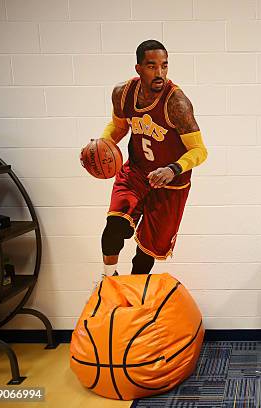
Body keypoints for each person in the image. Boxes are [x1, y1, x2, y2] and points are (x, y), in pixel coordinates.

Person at [87, 39, 207, 276]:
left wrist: (173, 169)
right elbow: (119, 127)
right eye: (152, 66)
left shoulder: (177, 103)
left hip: (170, 182)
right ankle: (107, 282)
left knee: (145, 253)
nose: (160, 72)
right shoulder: (123, 94)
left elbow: (200, 151)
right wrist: (103, 143)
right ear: (139, 68)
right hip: (137, 173)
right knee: (114, 227)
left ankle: (136, 295)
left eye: (164, 66)